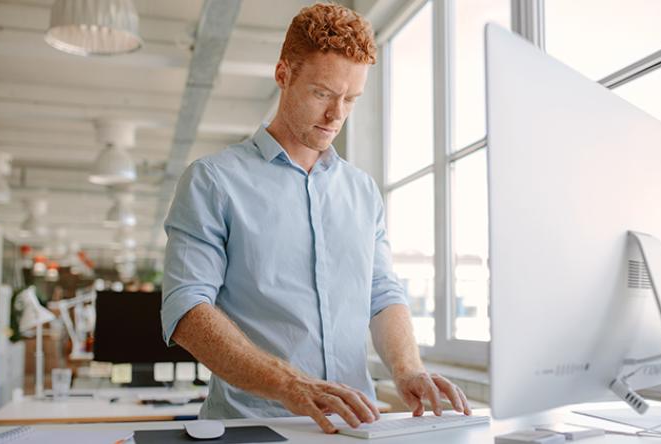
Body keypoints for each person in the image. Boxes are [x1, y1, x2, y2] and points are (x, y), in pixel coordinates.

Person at [160, 2, 471, 434]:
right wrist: (290, 384)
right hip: (251, 428)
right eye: (322, 93)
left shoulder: (362, 191)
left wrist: (408, 369)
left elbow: (381, 293)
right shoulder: (213, 180)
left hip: (353, 427)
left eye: (351, 99)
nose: (336, 114)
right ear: (283, 74)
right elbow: (188, 309)